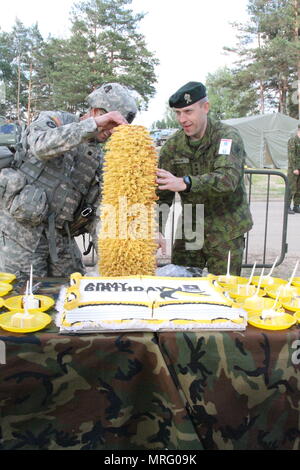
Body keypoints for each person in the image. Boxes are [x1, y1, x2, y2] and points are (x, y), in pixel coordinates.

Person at [0, 83, 138, 282]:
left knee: (75, 290)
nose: (111, 132)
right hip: (21, 235)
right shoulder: (55, 120)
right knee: (22, 295)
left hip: (59, 237)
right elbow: (40, 146)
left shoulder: (98, 156)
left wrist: (115, 254)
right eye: (112, 124)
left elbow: (98, 209)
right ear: (97, 111)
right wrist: (94, 125)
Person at [156, 81, 253, 276]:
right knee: (181, 286)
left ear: (205, 107)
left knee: (224, 290)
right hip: (191, 230)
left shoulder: (226, 137)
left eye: (188, 111)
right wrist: (156, 228)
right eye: (178, 113)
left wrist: (186, 182)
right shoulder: (172, 146)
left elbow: (227, 179)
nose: (182, 119)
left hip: (226, 228)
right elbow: (162, 192)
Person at [287, 124, 300, 214]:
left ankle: (296, 206)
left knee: (299, 189)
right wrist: (295, 168)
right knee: (291, 188)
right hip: (293, 169)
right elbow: (292, 156)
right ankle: (287, 207)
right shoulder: (293, 140)